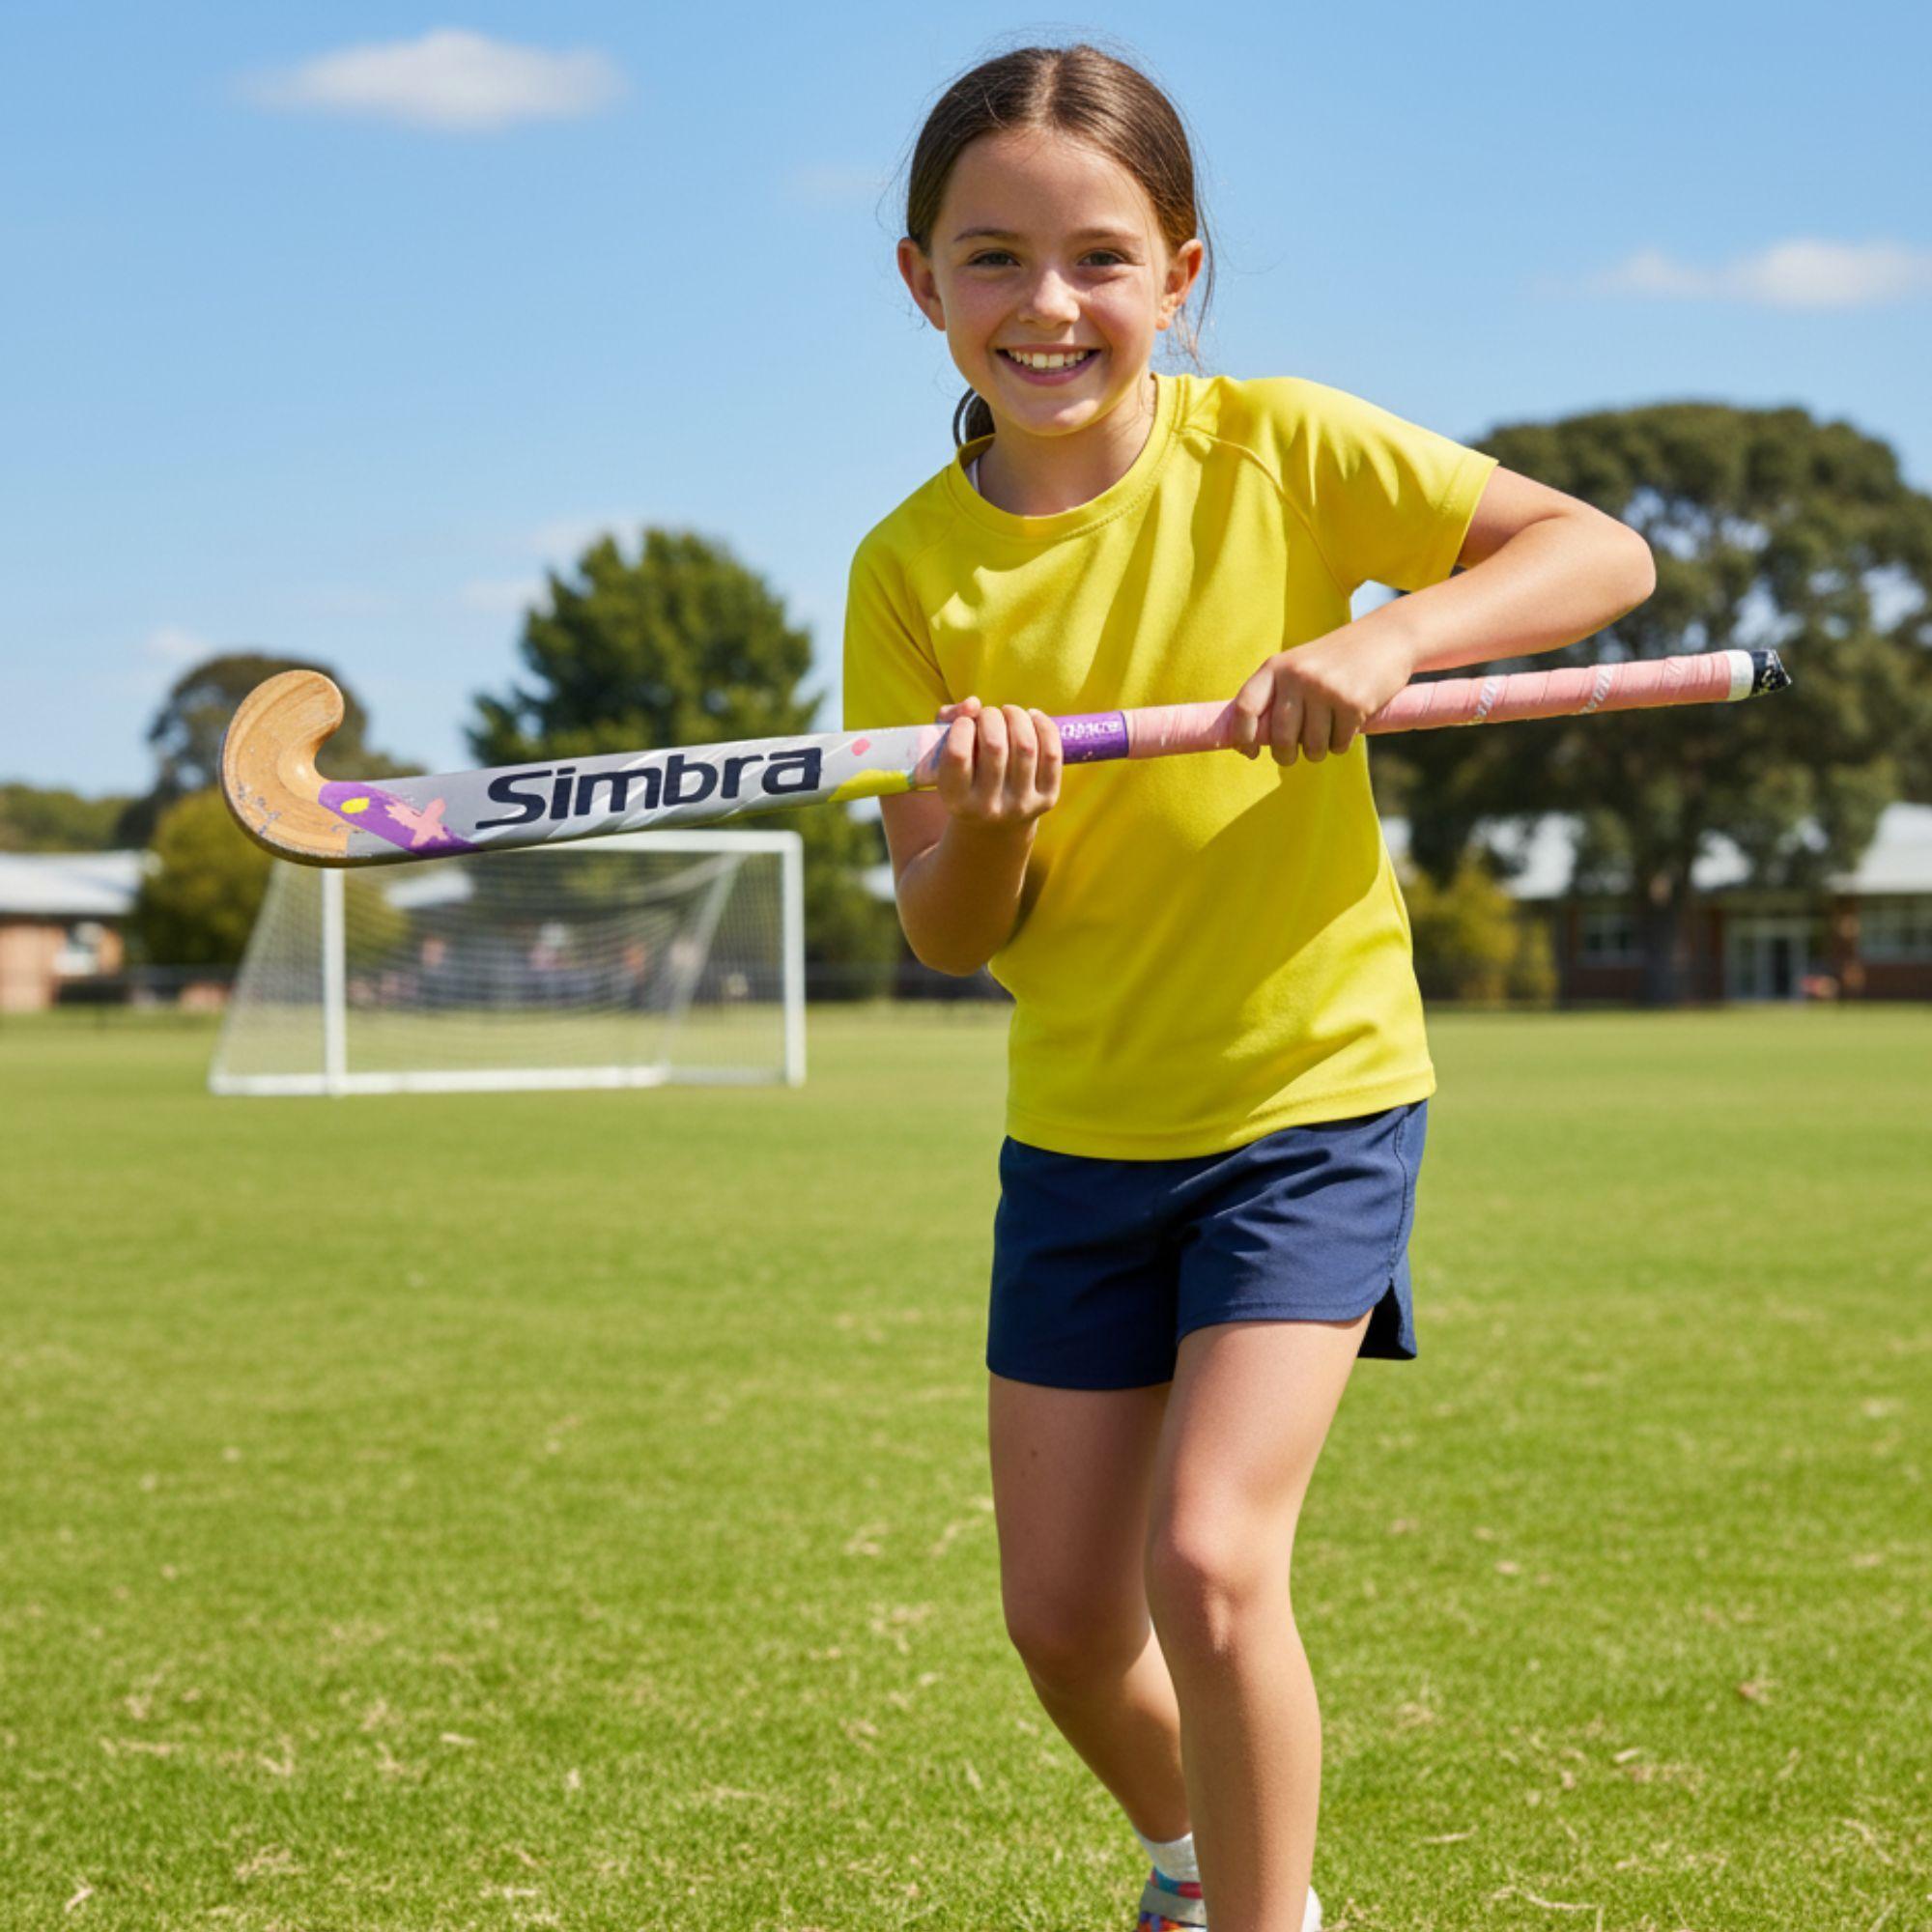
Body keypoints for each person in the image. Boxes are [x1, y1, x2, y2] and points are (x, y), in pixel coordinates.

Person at [841, 43, 1655, 1932]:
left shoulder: (1278, 448)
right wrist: (977, 819)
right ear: (917, 283)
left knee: (1208, 1563)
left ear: (1180, 272)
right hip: (1081, 1132)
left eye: (1100, 258)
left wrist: (1391, 641)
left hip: (1306, 1099)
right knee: (1060, 1620)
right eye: (991, 259)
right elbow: (948, 935)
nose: (1048, 305)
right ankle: (1199, 1862)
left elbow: (1595, 553)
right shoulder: (907, 571)